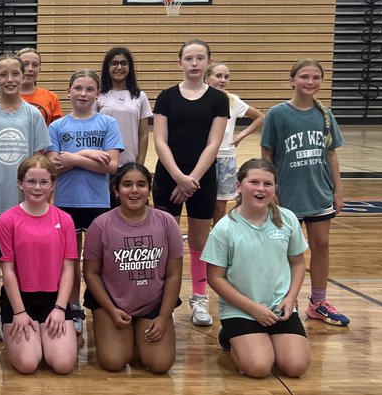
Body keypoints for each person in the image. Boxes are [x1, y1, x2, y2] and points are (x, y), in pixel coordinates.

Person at [261, 58, 349, 326]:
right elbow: (267, 153)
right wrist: (269, 188)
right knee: (286, 250)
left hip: (319, 191)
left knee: (321, 245)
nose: (310, 82)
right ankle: (288, 299)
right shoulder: (277, 114)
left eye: (315, 77)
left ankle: (318, 302)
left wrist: (338, 189)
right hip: (288, 194)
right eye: (304, 77)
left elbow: (331, 154)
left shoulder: (325, 114)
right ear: (292, 80)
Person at [203, 159, 310, 378]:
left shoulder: (287, 219)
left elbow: (298, 263)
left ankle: (265, 340)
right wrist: (253, 309)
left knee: (295, 367)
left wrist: (290, 299)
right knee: (259, 368)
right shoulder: (224, 228)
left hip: (279, 308)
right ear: (239, 186)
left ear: (275, 188)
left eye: (267, 184)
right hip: (241, 309)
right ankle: (231, 338)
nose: (261, 189)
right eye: (254, 182)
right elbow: (215, 278)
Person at [152, 39, 229, 328]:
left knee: (199, 241)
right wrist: (178, 177)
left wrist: (192, 179)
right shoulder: (167, 97)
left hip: (202, 178)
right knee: (164, 240)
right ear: (180, 62)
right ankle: (162, 297)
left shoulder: (218, 99)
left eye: (200, 58)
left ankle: (199, 298)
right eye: (189, 58)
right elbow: (160, 140)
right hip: (168, 176)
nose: (194, 63)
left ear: (208, 62)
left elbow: (214, 142)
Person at [83, 164, 183, 374]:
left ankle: (137, 334)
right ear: (116, 190)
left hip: (152, 305)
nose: (135, 190)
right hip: (113, 305)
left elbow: (174, 274)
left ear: (149, 190)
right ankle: (104, 327)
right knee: (113, 362)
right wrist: (111, 309)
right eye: (127, 185)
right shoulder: (100, 225)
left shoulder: (166, 223)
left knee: (160, 365)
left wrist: (163, 317)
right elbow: (90, 273)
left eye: (141, 184)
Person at [47, 69, 123, 333]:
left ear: (97, 94)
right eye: (78, 88)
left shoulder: (107, 124)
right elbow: (54, 166)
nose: (83, 93)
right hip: (65, 203)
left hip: (97, 204)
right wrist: (89, 154)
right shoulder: (56, 126)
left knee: (96, 262)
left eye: (89, 89)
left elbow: (111, 166)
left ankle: (101, 306)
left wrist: (72, 158)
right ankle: (73, 306)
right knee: (68, 261)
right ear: (68, 91)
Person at [0, 156, 77, 375]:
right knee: (28, 364)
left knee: (62, 364)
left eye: (44, 182)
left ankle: (43, 335)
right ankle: (17, 334)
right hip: (20, 300)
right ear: (20, 184)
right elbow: (8, 271)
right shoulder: (7, 220)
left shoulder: (65, 219)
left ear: (52, 185)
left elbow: (68, 269)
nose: (37, 187)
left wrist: (60, 308)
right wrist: (19, 311)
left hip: (53, 299)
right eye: (31, 181)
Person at [0, 53, 50, 220]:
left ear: (23, 77)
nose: (10, 79)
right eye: (3, 75)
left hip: (23, 197)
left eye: (15, 73)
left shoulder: (34, 115)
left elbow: (39, 160)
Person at [206, 61, 265, 224]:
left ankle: (218, 241)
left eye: (226, 77)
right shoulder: (199, 100)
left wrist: (240, 136)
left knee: (219, 207)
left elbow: (260, 117)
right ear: (206, 78)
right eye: (218, 76)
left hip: (226, 159)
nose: (223, 80)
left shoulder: (233, 101)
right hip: (203, 159)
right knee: (203, 205)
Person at [96, 46, 152, 167]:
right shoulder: (98, 96)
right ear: (107, 67)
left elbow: (143, 135)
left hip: (130, 163)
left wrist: (139, 165)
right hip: (104, 162)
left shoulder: (140, 97)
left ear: (129, 67)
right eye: (114, 64)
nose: (119, 67)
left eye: (124, 63)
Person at [16, 47, 63, 125]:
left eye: (35, 65)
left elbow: (56, 130)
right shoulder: (8, 96)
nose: (30, 69)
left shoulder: (51, 97)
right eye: (25, 64)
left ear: (39, 69)